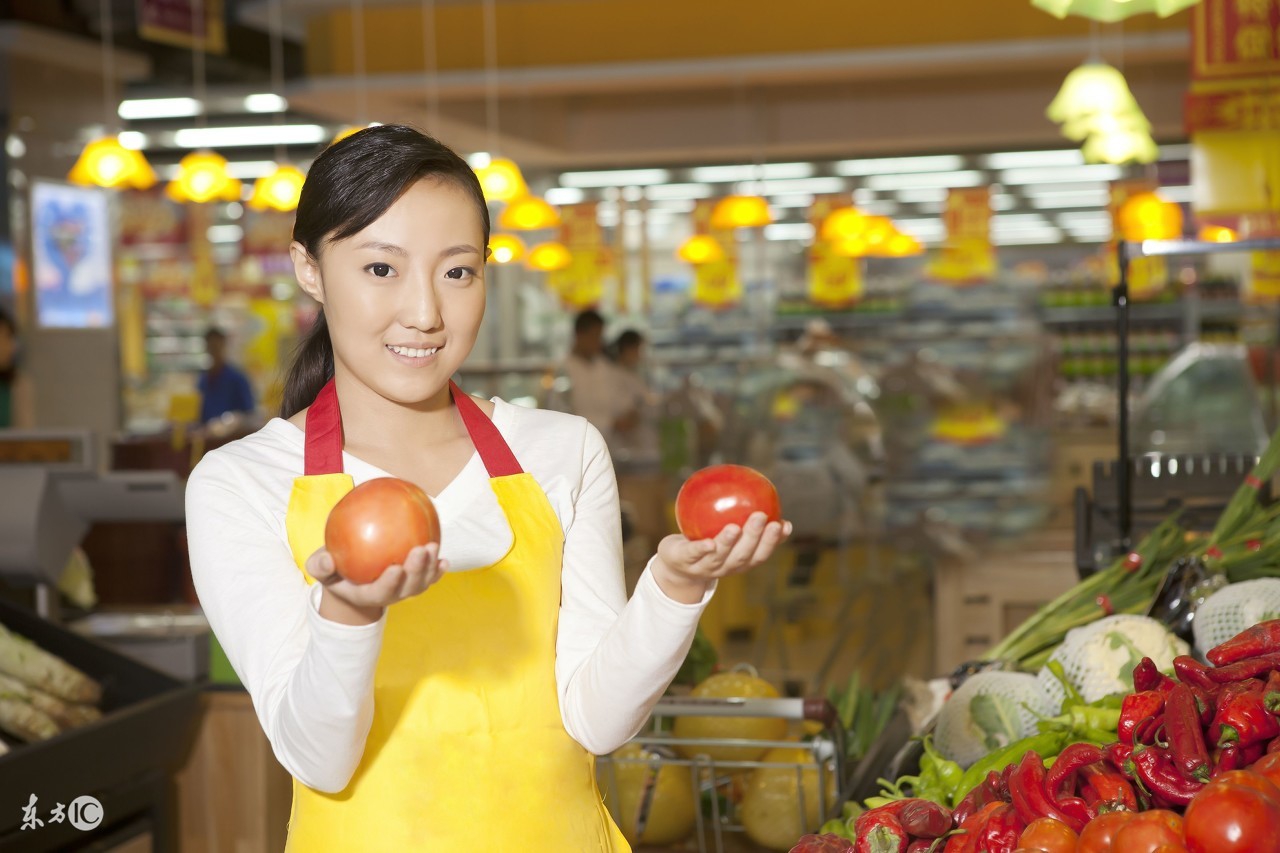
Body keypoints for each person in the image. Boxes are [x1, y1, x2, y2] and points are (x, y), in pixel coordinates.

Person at [184, 125, 790, 851]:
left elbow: (596, 721)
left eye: (458, 272)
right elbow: (318, 757)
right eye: (381, 268)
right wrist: (348, 612)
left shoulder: (562, 451)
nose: (425, 313)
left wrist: (675, 587)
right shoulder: (241, 483)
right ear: (308, 268)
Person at [197, 327, 255, 424]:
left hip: (232, 432)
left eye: (216, 347)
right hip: (206, 432)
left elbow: (248, 413)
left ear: (224, 346)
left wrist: (229, 423)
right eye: (211, 347)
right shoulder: (203, 380)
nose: (214, 352)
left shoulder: (237, 379)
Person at [0, 305, 34, 429]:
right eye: (1, 338)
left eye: (9, 338)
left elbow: (24, 435)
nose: (8, 347)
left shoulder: (19, 384)